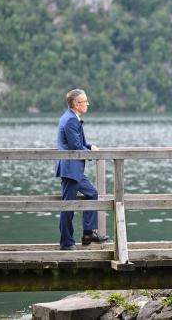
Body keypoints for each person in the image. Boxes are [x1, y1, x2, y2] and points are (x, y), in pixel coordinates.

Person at [56, 89, 108, 250]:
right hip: (71, 170)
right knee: (68, 207)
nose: (88, 104)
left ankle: (88, 233)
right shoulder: (71, 120)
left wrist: (90, 145)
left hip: (73, 170)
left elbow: (78, 143)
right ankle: (66, 243)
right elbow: (75, 147)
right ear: (76, 104)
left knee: (92, 194)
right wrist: (92, 154)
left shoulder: (71, 117)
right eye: (85, 101)